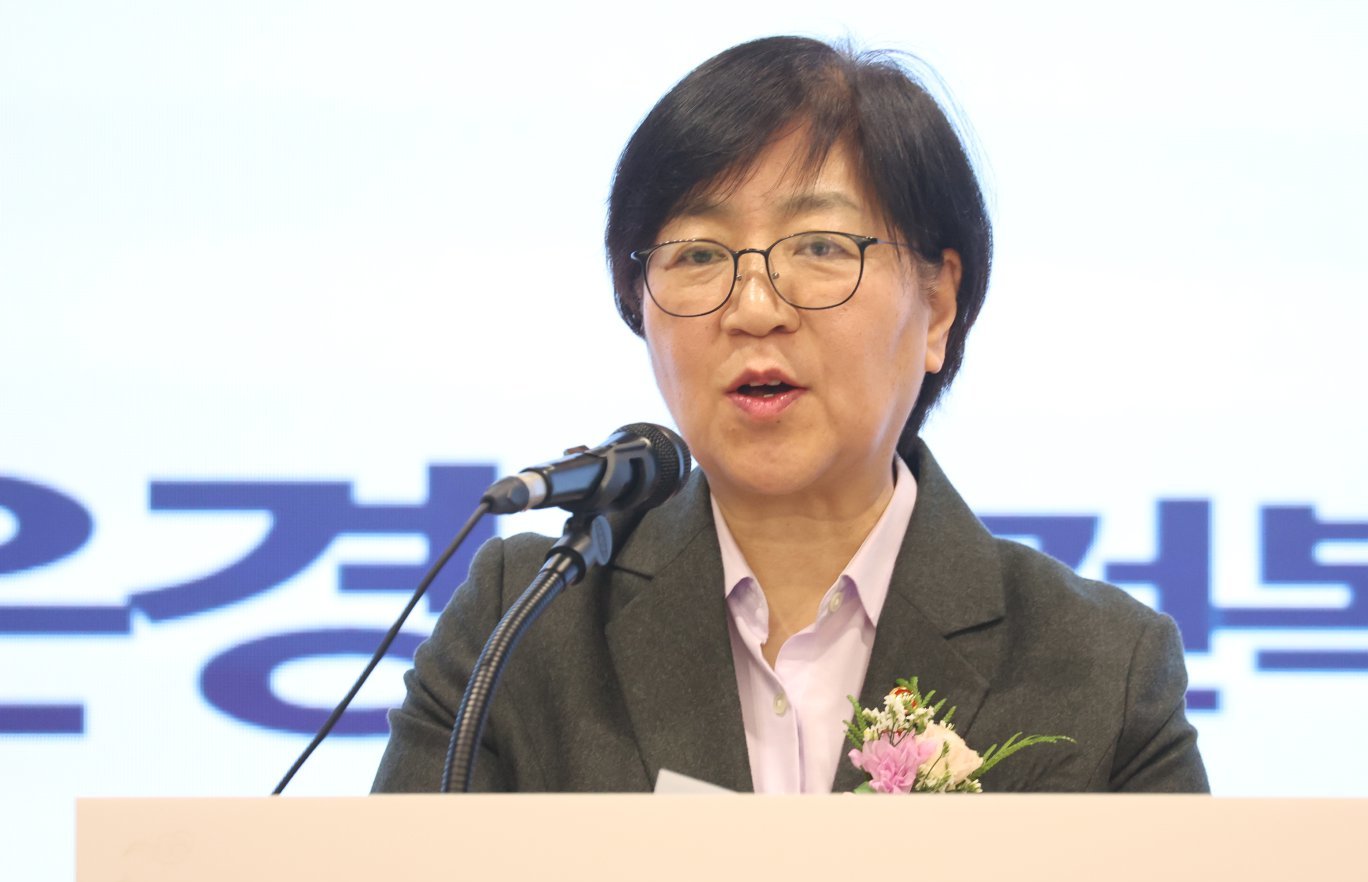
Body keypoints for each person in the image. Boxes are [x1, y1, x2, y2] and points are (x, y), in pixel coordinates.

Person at [372, 36, 1207, 794]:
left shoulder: (1102, 667)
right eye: (699, 254)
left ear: (939, 305)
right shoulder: (525, 626)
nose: (755, 308)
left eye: (819, 247)